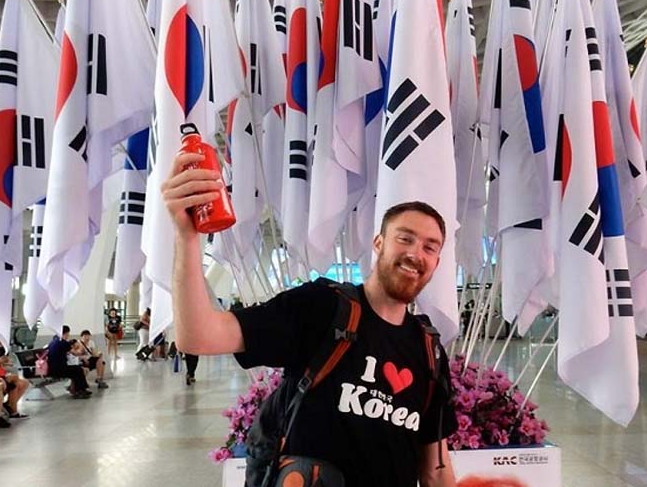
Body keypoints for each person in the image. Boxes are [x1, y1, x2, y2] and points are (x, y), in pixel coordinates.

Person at [164, 154, 457, 487]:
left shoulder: (429, 350)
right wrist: (186, 237)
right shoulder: (322, 307)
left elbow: (436, 466)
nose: (416, 254)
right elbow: (200, 336)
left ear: (436, 261)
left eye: (430, 247)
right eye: (404, 238)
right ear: (378, 244)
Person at [0, 335, 29, 419]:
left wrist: (2, 363)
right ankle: (12, 409)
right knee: (15, 380)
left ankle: (10, 405)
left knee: (24, 383)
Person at [47, 326, 91, 399]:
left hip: (52, 367)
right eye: (68, 333)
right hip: (59, 369)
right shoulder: (63, 342)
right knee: (78, 370)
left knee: (76, 369)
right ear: (66, 333)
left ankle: (81, 390)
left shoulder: (53, 341)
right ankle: (80, 390)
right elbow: (76, 353)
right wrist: (81, 348)